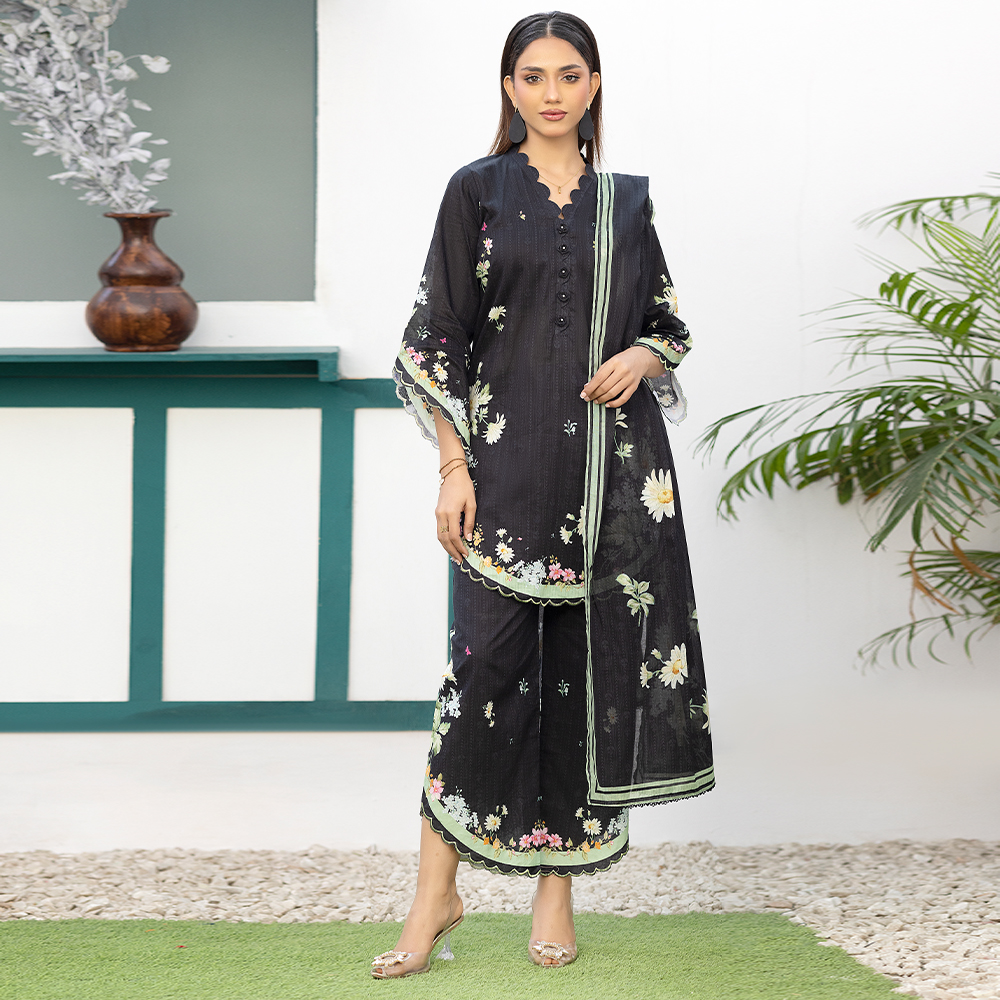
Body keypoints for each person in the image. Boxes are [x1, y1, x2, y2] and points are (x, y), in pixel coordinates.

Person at [373, 10, 714, 978]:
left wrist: (641, 357)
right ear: (510, 87)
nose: (552, 92)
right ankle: (434, 895)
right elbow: (438, 332)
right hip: (504, 480)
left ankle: (555, 892)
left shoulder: (626, 203)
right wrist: (453, 467)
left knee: (577, 687)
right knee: (480, 677)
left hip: (608, 481)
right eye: (534, 75)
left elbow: (667, 324)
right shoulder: (475, 191)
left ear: (593, 85)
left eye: (570, 74)